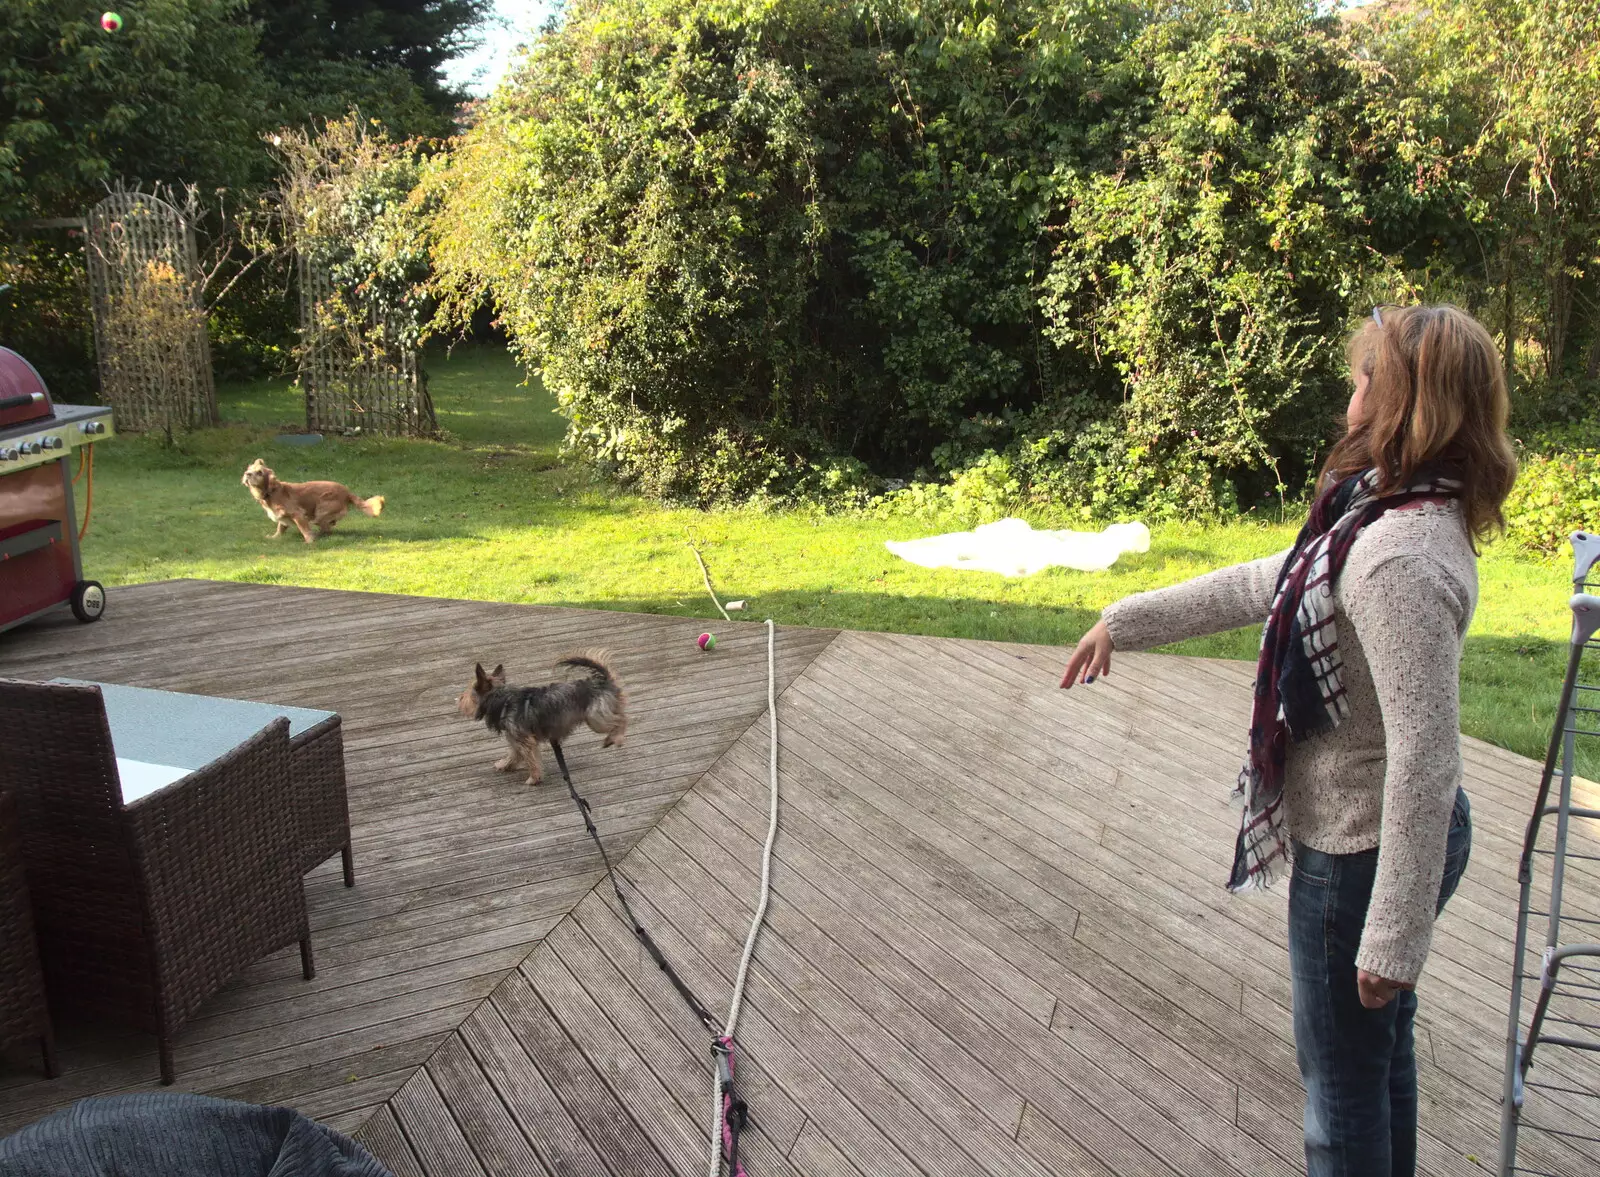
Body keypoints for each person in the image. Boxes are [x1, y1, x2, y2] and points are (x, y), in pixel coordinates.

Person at [1059, 304, 1517, 1177]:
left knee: (1340, 1098)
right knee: (1376, 1065)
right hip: (1377, 839)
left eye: (1363, 378)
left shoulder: (1396, 558)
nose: (1350, 395)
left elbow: (1427, 755)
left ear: (1406, 401)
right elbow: (1270, 580)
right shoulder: (1385, 512)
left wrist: (1391, 935)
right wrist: (1128, 616)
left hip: (1363, 851)